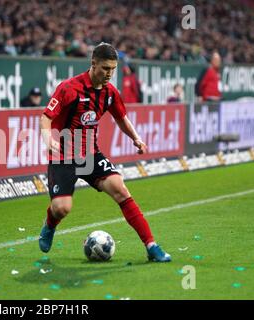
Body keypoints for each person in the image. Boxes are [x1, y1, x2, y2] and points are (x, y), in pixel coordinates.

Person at [38, 42, 171, 262]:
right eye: (105, 68)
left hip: (90, 155)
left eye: (113, 69)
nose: (109, 74)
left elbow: (121, 118)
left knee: (120, 188)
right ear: (93, 64)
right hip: (63, 156)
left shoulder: (110, 92)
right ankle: (50, 224)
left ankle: (152, 247)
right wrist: (47, 137)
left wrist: (136, 138)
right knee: (62, 208)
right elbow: (46, 117)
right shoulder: (69, 88)